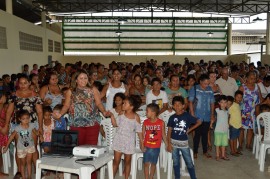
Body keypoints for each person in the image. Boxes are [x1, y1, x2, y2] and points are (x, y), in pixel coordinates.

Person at [58, 69, 109, 179]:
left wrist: (104, 111)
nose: (83, 80)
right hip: (76, 125)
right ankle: (80, 175)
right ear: (76, 80)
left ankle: (92, 176)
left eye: (85, 78)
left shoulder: (93, 90)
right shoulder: (70, 91)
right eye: (81, 78)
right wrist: (60, 114)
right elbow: (66, 106)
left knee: (91, 153)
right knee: (78, 152)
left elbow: (99, 103)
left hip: (92, 124)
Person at [5, 75, 43, 176]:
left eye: (25, 83)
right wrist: (6, 125)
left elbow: (39, 112)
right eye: (20, 83)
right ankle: (20, 173)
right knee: (19, 148)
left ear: (29, 83)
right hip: (18, 125)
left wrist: (40, 127)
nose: (22, 85)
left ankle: (38, 171)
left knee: (33, 148)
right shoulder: (14, 95)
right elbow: (9, 111)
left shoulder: (36, 95)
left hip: (33, 124)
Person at [167, 96, 201, 179]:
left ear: (183, 106)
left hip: (184, 143)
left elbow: (199, 122)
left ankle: (193, 177)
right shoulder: (172, 118)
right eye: (175, 104)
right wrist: (168, 144)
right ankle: (177, 177)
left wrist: (189, 130)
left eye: (179, 104)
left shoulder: (187, 116)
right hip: (173, 143)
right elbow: (169, 132)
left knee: (189, 161)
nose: (177, 106)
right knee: (175, 162)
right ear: (173, 106)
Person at [110, 95, 143, 179]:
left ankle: (126, 177)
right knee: (116, 161)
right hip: (119, 140)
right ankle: (111, 176)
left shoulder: (136, 117)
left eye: (125, 103)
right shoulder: (121, 113)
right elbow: (115, 124)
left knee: (127, 162)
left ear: (131, 106)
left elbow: (139, 131)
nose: (122, 104)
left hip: (129, 142)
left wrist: (142, 143)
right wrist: (112, 116)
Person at [3, 110, 38, 179]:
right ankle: (24, 177)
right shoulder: (18, 128)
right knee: (22, 164)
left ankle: (29, 177)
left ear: (29, 118)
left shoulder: (31, 125)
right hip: (21, 148)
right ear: (20, 119)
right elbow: (12, 136)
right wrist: (7, 146)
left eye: (27, 118)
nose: (26, 120)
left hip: (30, 147)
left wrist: (40, 135)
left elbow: (36, 133)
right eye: (23, 119)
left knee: (29, 162)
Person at [189, 74, 215, 159]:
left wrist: (212, 115)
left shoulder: (210, 89)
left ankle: (205, 151)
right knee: (197, 134)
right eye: (205, 83)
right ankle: (195, 151)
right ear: (200, 81)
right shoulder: (195, 88)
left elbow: (212, 103)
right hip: (197, 115)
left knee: (205, 134)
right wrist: (192, 113)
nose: (206, 85)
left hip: (207, 115)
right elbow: (190, 102)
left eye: (208, 83)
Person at [142, 103, 167, 179]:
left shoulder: (161, 123)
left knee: (153, 163)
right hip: (147, 146)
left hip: (156, 147)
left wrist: (167, 144)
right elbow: (142, 135)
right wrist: (142, 145)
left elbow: (163, 135)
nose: (146, 112)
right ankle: (146, 178)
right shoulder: (145, 122)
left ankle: (151, 177)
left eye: (147, 111)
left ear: (153, 112)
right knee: (146, 163)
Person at [239, 71, 263, 150]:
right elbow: (238, 100)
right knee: (241, 129)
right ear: (247, 78)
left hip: (254, 112)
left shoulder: (257, 87)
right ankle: (240, 145)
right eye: (251, 78)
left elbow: (260, 99)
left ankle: (248, 144)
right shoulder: (242, 88)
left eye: (254, 78)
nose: (253, 80)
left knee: (251, 129)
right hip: (244, 111)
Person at [212, 95, 230, 161]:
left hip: (225, 130)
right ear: (219, 103)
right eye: (222, 102)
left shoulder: (227, 111)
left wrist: (228, 126)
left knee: (224, 144)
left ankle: (223, 155)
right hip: (218, 130)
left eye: (225, 102)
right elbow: (213, 118)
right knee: (217, 144)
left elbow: (228, 119)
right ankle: (217, 155)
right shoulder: (217, 110)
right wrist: (211, 124)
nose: (223, 104)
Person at [227, 91, 244, 156]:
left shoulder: (238, 105)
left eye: (241, 97)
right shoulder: (232, 105)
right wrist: (228, 124)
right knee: (232, 138)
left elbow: (238, 115)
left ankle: (235, 150)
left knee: (236, 138)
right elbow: (229, 115)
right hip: (233, 125)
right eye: (238, 97)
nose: (239, 99)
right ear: (235, 97)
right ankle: (232, 151)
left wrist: (240, 124)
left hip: (238, 125)